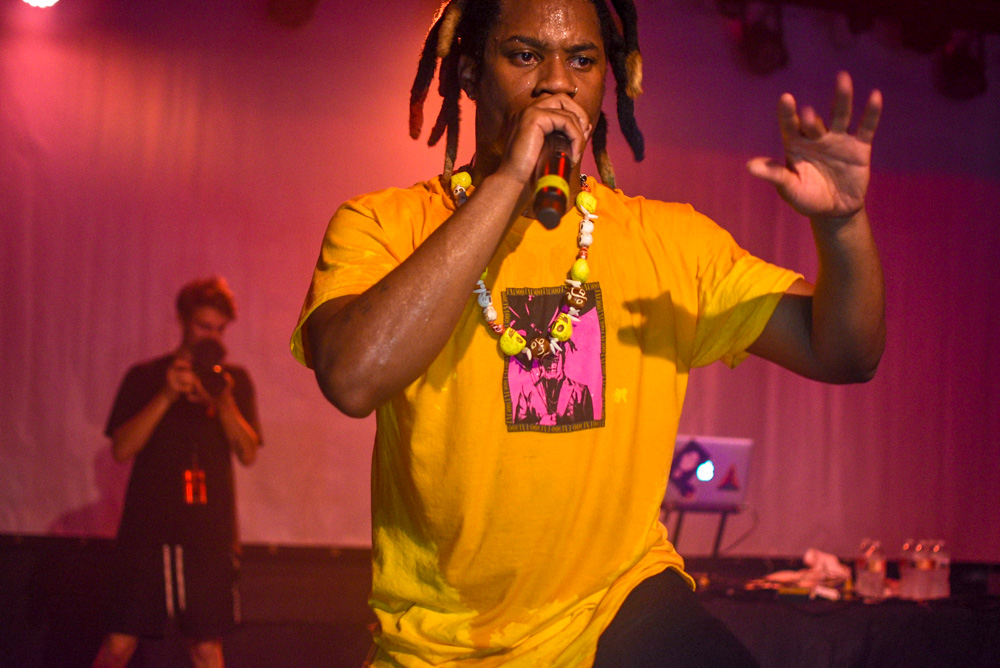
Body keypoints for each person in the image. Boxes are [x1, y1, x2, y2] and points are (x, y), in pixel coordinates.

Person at [290, 0, 884, 665]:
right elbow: (352, 376)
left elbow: (845, 354)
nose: (557, 83)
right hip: (443, 643)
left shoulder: (668, 241)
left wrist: (841, 230)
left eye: (582, 59)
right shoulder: (383, 225)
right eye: (523, 56)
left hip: (619, 609)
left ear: (613, 78)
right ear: (467, 73)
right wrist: (511, 180)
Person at [94, 276, 261, 668]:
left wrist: (222, 402)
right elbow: (122, 448)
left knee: (206, 648)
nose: (212, 335)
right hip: (147, 532)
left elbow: (248, 452)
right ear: (184, 321)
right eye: (204, 326)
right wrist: (167, 395)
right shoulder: (146, 376)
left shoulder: (232, 383)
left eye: (219, 329)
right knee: (118, 645)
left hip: (207, 534)